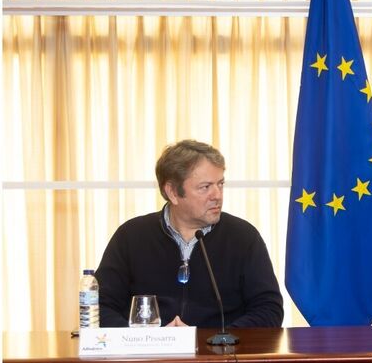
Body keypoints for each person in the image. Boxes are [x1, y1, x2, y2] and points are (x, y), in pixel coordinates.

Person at [95, 139, 283, 328]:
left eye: (220, 184)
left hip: (219, 354)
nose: (217, 195)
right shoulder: (131, 236)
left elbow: (269, 309)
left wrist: (213, 339)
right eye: (205, 187)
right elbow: (99, 307)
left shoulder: (243, 237)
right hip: (150, 355)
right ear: (173, 193)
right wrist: (145, 339)